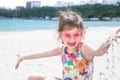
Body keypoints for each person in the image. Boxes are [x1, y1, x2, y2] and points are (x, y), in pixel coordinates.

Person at [15, 10, 120, 80]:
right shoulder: (63, 49)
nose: (72, 39)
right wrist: (24, 57)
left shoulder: (84, 48)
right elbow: (42, 54)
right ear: (61, 35)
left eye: (76, 34)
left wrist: (109, 39)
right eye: (67, 35)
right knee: (33, 77)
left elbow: (98, 52)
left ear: (82, 33)